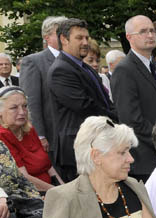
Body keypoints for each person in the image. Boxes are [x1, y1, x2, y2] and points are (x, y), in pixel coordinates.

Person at [48, 18, 116, 182]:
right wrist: (117, 119)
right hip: (78, 149)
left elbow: (104, 100)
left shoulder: (83, 67)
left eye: (86, 37)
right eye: (79, 38)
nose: (85, 42)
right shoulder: (61, 70)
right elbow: (85, 106)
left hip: (96, 143)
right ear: (64, 39)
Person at [112, 15, 156, 180]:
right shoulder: (124, 70)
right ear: (129, 37)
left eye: (152, 31)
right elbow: (131, 120)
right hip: (144, 158)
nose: (150, 35)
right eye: (143, 31)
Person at [0, 87, 64, 190]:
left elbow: (49, 167)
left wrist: (63, 187)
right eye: (14, 108)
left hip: (50, 188)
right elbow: (23, 177)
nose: (22, 112)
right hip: (30, 193)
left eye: (24, 106)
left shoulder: (29, 130)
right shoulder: (0, 135)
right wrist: (57, 191)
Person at [20, 16, 68, 155]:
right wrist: (39, 135)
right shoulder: (34, 61)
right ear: (47, 37)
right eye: (59, 33)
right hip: (51, 135)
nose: (64, 37)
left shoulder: (74, 59)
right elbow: (31, 101)